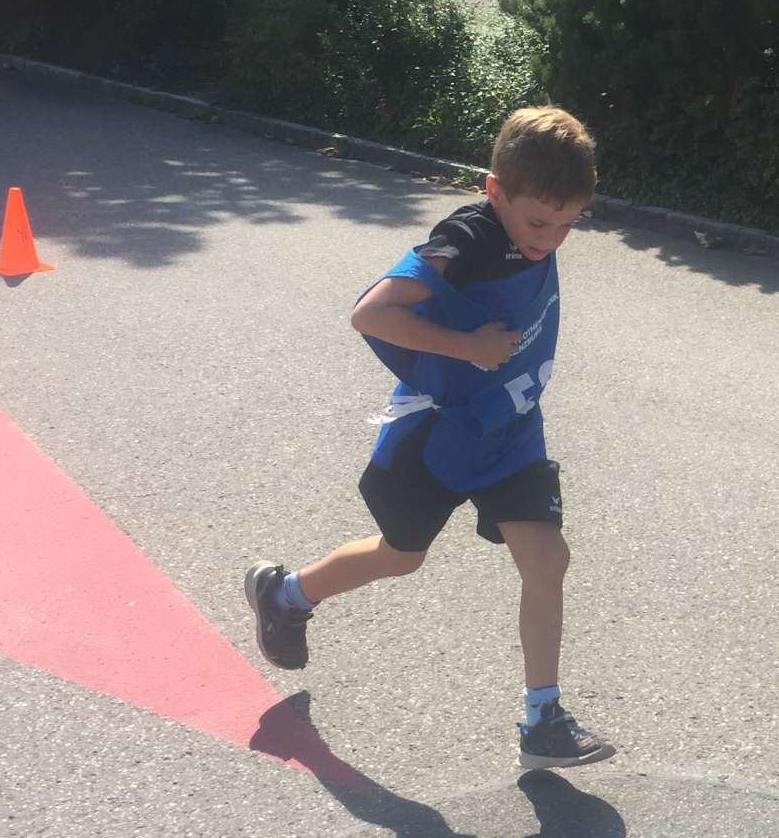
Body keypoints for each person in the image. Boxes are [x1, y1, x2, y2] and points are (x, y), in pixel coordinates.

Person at [244, 106, 615, 773]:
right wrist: (466, 347)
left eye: (569, 224)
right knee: (399, 556)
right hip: (439, 434)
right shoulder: (464, 239)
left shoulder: (532, 228)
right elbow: (371, 313)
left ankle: (543, 720)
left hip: (510, 431)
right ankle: (286, 594)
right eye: (539, 223)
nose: (551, 239)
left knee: (547, 561)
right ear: (495, 190)